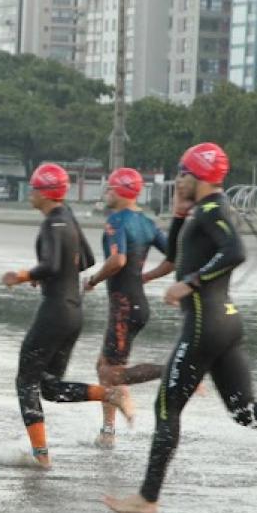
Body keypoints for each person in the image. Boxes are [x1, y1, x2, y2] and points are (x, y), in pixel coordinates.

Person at [103, 142, 257, 513]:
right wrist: (181, 216)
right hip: (225, 321)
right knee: (244, 410)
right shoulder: (201, 211)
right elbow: (180, 254)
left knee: (166, 408)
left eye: (182, 174)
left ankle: (148, 497)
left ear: (196, 175)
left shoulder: (214, 208)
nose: (178, 180)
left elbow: (235, 251)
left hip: (205, 322)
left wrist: (192, 283)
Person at [2, 163, 112, 469]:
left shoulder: (51, 223)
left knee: (26, 382)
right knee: (49, 387)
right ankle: (109, 394)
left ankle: (42, 457)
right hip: (74, 312)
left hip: (53, 312)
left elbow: (51, 264)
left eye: (34, 188)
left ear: (46, 193)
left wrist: (23, 275)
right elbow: (86, 259)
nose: (30, 193)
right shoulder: (68, 216)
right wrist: (50, 274)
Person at [84, 168, 166, 447]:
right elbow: (176, 257)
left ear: (120, 191)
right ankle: (107, 432)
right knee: (104, 366)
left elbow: (117, 261)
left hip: (123, 309)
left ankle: (171, 370)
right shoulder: (148, 223)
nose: (106, 193)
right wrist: (147, 276)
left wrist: (93, 279)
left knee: (111, 373)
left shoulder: (116, 221)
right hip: (136, 304)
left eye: (109, 188)